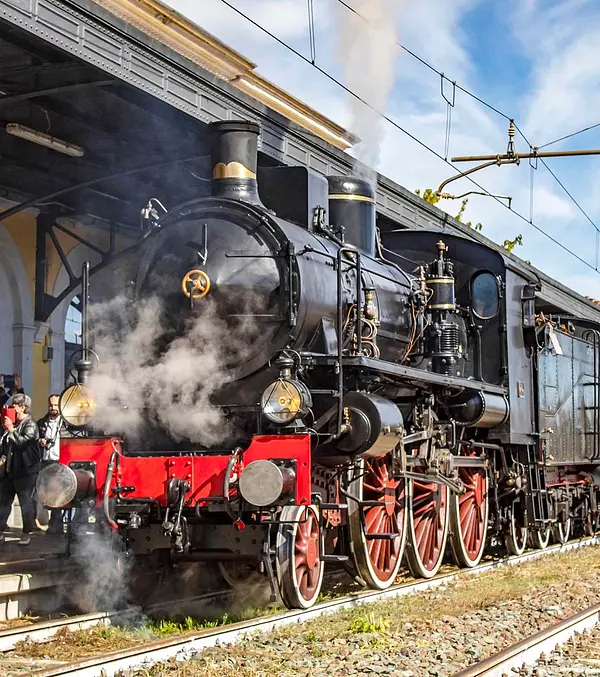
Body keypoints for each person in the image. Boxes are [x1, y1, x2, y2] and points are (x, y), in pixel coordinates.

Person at [0, 394, 41, 545]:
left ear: (23, 407)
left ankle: (26, 533)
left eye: (15, 405)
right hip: (10, 470)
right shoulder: (15, 425)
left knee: (25, 503)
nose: (12, 408)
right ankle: (0, 531)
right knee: (4, 502)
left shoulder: (30, 425)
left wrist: (11, 430)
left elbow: (21, 443)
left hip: (25, 471)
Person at [37, 394, 65, 535]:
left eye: (55, 405)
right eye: (50, 405)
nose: (52, 408)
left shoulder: (66, 424)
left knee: (59, 494)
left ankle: (56, 525)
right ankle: (53, 524)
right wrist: (40, 442)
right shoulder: (41, 422)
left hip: (60, 462)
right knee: (49, 495)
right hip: (46, 462)